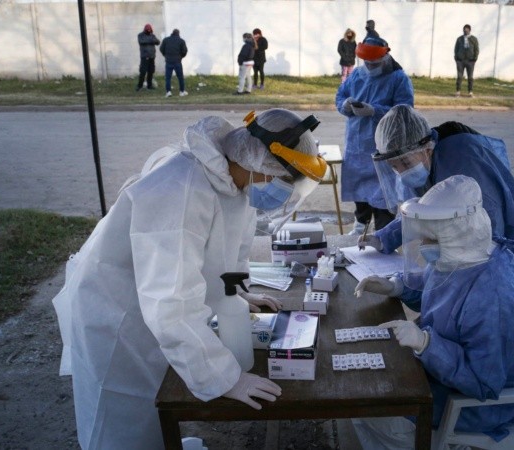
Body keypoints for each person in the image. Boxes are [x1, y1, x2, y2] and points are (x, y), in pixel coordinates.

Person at [54, 108, 327, 449]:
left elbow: (228, 248)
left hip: (151, 302)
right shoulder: (179, 190)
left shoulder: (234, 180)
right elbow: (170, 303)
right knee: (124, 414)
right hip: (118, 315)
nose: (284, 190)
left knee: (154, 404)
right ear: (261, 163)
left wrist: (237, 292)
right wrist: (225, 377)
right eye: (284, 179)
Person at [353, 175, 514, 448]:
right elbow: (437, 289)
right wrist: (395, 286)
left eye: (430, 238)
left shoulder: (498, 298)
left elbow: (481, 382)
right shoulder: (463, 254)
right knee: (369, 386)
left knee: (372, 407)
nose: (423, 245)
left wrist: (426, 344)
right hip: (443, 375)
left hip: (474, 405)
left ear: (455, 233)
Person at [357, 105, 514, 308]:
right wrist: (384, 238)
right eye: (393, 166)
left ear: (427, 148)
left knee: (482, 298)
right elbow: (424, 211)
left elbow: (483, 242)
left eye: (405, 163)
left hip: (494, 267)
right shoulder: (424, 160)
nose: (401, 172)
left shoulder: (465, 165)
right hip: (471, 267)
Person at [335, 36, 414, 235]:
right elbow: (341, 95)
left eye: (374, 63)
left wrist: (374, 111)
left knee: (384, 190)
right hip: (357, 143)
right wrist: (345, 105)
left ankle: (384, 232)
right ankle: (361, 223)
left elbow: (405, 110)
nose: (370, 67)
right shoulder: (357, 74)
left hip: (385, 145)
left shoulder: (398, 78)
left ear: (385, 58)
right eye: (367, 63)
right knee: (359, 187)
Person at [159, 29, 188, 98]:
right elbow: (185, 51)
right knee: (180, 77)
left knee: (168, 78)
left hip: (168, 61)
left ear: (172, 33)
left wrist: (165, 55)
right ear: (178, 34)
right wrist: (180, 57)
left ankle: (168, 92)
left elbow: (161, 49)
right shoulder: (181, 41)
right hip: (177, 61)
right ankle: (182, 92)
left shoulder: (166, 40)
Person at [454, 24, 479, 98]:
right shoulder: (459, 39)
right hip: (460, 61)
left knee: (470, 77)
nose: (465, 31)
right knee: (459, 76)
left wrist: (474, 59)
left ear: (470, 30)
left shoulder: (474, 39)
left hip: (470, 61)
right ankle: (458, 91)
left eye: (467, 30)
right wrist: (456, 58)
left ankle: (470, 92)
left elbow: (476, 49)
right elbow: (456, 49)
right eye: (464, 30)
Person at [136, 23, 160, 92]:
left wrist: (153, 40)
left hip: (152, 56)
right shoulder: (140, 35)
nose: (149, 31)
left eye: (150, 30)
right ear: (145, 29)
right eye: (147, 30)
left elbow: (158, 42)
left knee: (151, 71)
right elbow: (141, 41)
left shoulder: (152, 35)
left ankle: (149, 86)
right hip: (144, 56)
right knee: (143, 72)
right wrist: (151, 40)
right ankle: (139, 86)